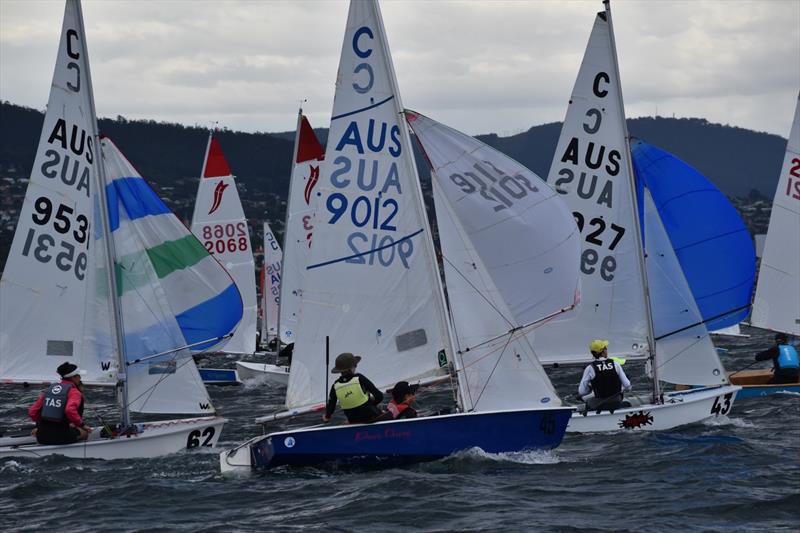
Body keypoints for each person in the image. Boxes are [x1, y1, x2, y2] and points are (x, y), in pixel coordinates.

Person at [28, 362, 92, 445]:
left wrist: (42, 427)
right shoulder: (74, 392)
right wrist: (83, 425)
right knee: (85, 433)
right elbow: (70, 410)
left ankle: (39, 432)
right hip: (62, 436)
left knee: (49, 429)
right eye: (79, 376)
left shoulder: (49, 390)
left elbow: (32, 412)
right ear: (73, 377)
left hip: (42, 436)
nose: (80, 378)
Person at [323, 352, 383, 424]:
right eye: (355, 365)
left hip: (353, 420)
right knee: (381, 407)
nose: (356, 366)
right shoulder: (359, 378)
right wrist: (372, 403)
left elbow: (331, 407)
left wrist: (327, 417)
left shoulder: (335, 386)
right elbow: (379, 396)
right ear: (350, 368)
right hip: (371, 417)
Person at [578, 339, 632, 412]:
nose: (607, 350)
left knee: (588, 402)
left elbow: (582, 392)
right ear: (603, 351)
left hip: (600, 404)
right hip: (616, 402)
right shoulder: (615, 364)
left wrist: (590, 388)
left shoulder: (590, 368)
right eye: (606, 348)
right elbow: (628, 386)